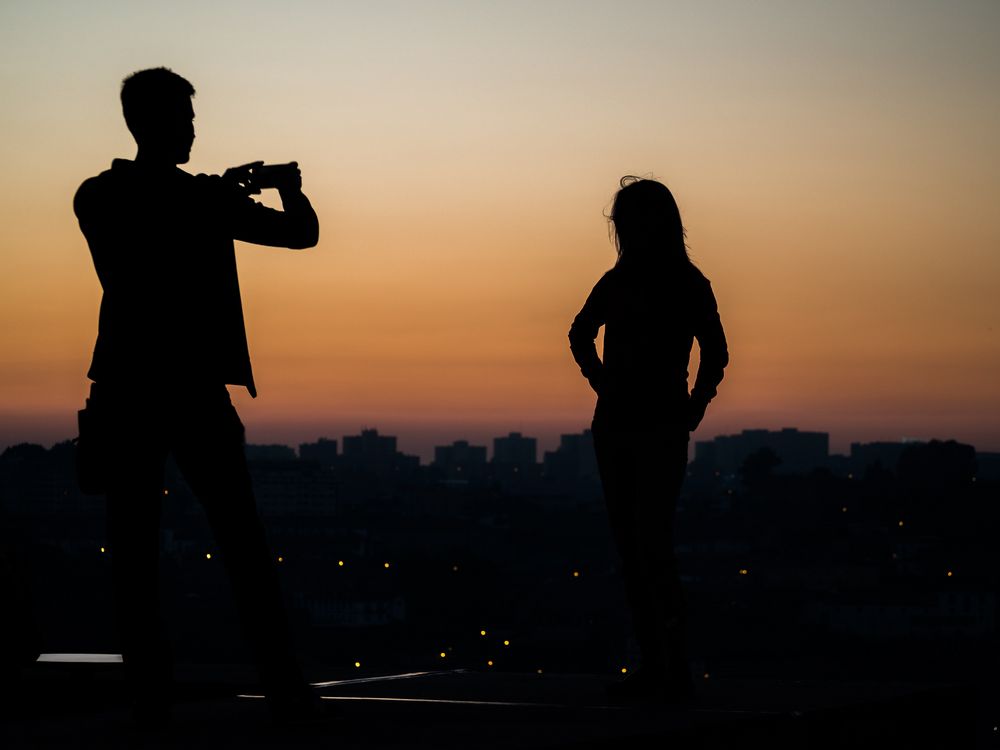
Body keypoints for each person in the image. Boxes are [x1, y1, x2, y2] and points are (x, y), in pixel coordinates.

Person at [73, 67, 321, 726]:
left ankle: (152, 692)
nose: (190, 130)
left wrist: (220, 191)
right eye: (181, 119)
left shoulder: (103, 195)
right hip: (179, 391)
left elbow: (295, 237)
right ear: (148, 123)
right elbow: (300, 231)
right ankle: (282, 683)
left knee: (137, 548)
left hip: (132, 388)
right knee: (236, 540)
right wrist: (281, 190)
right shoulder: (165, 197)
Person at [568, 176, 728, 701]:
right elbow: (579, 333)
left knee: (648, 546)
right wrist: (605, 382)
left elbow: (716, 353)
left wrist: (691, 409)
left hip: (649, 425)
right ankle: (660, 665)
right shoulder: (629, 281)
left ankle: (669, 666)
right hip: (629, 425)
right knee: (637, 547)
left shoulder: (675, 282)